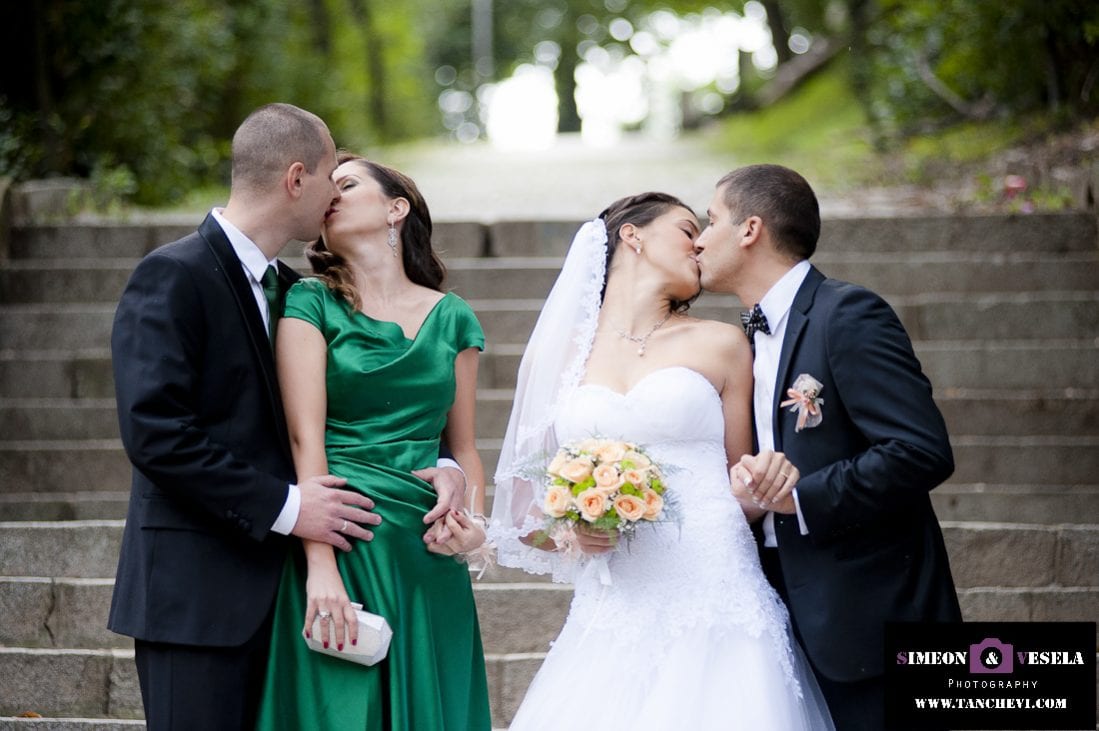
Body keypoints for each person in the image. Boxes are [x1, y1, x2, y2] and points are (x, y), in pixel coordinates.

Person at [108, 104, 463, 730]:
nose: (335, 194)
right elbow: (156, 433)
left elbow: (350, 412)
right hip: (197, 596)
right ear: (297, 179)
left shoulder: (292, 289)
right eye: (332, 176)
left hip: (285, 594)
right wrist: (292, 506)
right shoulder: (173, 273)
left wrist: (440, 463)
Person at [490, 193, 834, 730]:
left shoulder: (723, 343)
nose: (699, 243)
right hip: (616, 598)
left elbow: (739, 482)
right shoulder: (559, 354)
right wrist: (573, 532)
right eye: (686, 229)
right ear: (634, 236)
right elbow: (526, 513)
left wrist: (760, 485)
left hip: (715, 580)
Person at [694, 164, 961, 730]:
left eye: (711, 219)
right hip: (771, 610)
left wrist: (802, 498)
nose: (698, 237)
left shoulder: (848, 315)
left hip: (870, 615)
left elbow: (920, 449)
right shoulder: (742, 341)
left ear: (750, 230)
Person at [254, 155, 492, 731]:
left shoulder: (454, 317)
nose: (330, 192)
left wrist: (474, 526)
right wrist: (321, 565)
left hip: (425, 552)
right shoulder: (310, 302)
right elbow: (302, 437)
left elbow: (463, 447)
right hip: (346, 531)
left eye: (348, 183)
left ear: (396, 207)